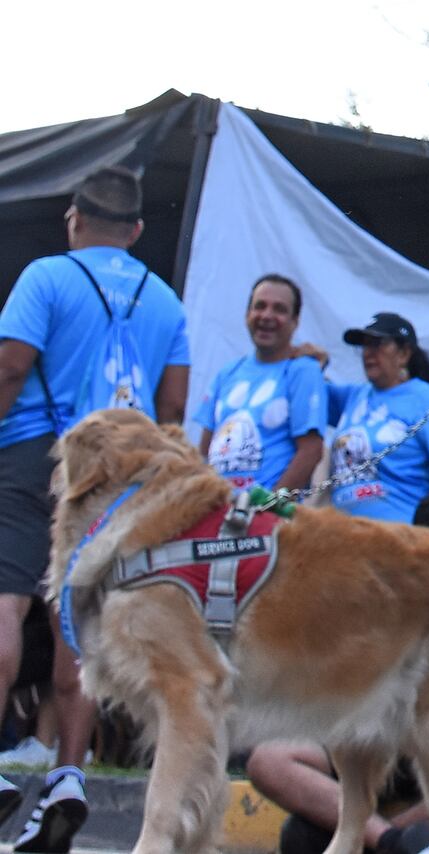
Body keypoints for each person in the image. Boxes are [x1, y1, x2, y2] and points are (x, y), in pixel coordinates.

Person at [0, 165, 190, 853]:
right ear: (136, 230)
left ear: (73, 219)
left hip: (35, 454)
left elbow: (11, 368)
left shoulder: (45, 277)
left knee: (7, 605)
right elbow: (171, 410)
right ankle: (68, 777)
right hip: (121, 473)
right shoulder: (166, 299)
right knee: (78, 620)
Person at [246, 489, 429, 854]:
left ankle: (389, 835)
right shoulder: (404, 583)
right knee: (271, 765)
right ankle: (386, 841)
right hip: (378, 730)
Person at [326, 313, 429, 523]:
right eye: (364, 346)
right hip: (345, 540)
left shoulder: (424, 398)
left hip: (402, 538)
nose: (367, 353)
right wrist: (311, 360)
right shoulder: (353, 397)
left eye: (377, 344)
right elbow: (305, 396)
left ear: (403, 353)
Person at [194, 274, 326, 493]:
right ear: (247, 314)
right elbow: (203, 452)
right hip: (217, 512)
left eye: (279, 309)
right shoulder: (227, 372)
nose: (267, 315)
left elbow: (311, 451)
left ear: (295, 321)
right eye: (260, 306)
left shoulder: (303, 371)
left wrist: (267, 508)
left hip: (267, 519)